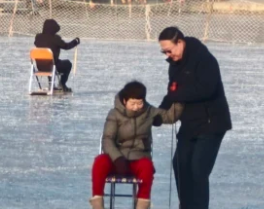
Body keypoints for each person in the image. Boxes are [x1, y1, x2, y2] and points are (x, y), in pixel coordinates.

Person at [158, 27, 232, 209]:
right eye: (164, 51)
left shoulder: (204, 60)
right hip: (189, 124)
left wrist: (177, 95)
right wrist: (158, 114)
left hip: (211, 123)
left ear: (180, 43)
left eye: (170, 50)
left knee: (198, 170)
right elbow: (172, 92)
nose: (168, 54)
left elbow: (206, 89)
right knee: (180, 165)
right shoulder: (174, 65)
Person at [90, 81, 182, 209]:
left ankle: (142, 205)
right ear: (124, 101)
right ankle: (97, 204)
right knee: (100, 162)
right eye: (132, 103)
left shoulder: (149, 111)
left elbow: (169, 117)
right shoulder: (114, 114)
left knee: (147, 167)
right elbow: (107, 139)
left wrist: (179, 97)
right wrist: (117, 158)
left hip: (138, 158)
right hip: (117, 159)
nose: (136, 107)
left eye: (139, 103)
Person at [34, 19, 79, 92]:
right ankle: (62, 84)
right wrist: (75, 42)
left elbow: (36, 43)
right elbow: (66, 46)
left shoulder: (38, 37)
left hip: (40, 66)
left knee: (49, 62)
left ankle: (51, 85)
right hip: (53, 66)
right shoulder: (55, 38)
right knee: (67, 64)